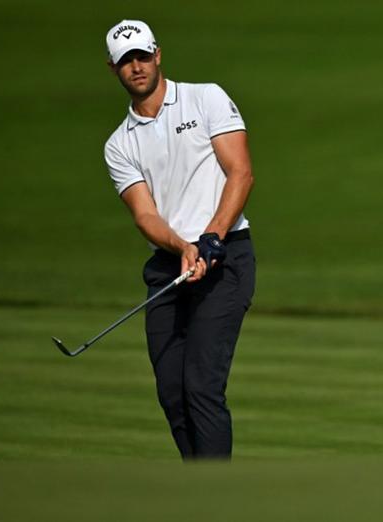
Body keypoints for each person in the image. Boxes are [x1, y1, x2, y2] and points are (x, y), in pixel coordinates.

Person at [103, 19, 256, 459]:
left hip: (225, 257)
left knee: (202, 386)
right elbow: (145, 214)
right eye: (125, 61)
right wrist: (182, 247)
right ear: (114, 70)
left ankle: (214, 498)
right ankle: (199, 490)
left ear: (158, 55)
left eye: (142, 56)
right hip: (171, 265)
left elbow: (241, 173)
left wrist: (210, 237)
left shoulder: (205, 97)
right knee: (173, 392)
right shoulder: (119, 144)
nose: (136, 67)